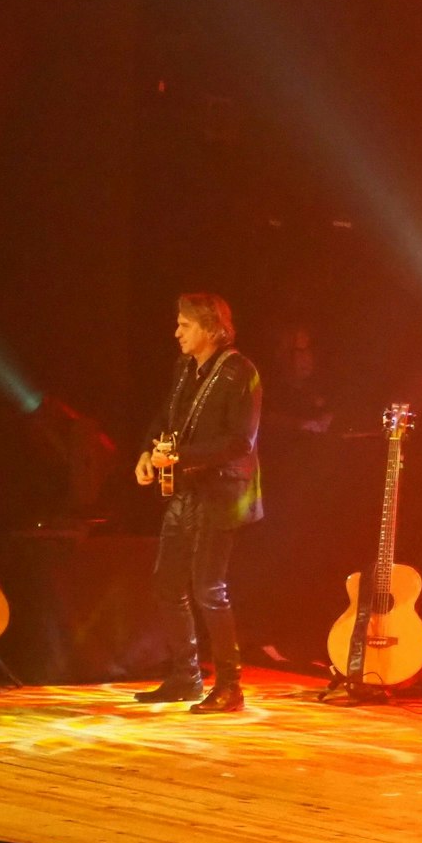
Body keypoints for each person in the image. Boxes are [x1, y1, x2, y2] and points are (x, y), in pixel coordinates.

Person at [133, 294, 263, 714]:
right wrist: (145, 453)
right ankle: (186, 676)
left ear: (210, 329)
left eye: (184, 325)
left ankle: (230, 686)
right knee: (168, 584)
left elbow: (239, 441)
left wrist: (181, 457)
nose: (176, 333)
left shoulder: (240, 371)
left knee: (209, 587)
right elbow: (165, 417)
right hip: (186, 489)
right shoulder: (185, 368)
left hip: (223, 491)